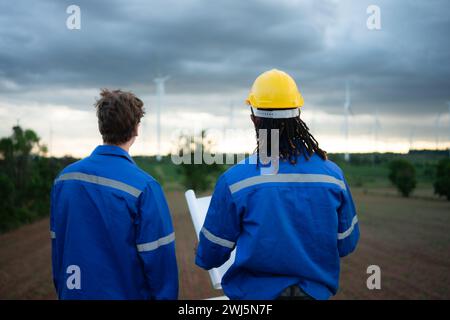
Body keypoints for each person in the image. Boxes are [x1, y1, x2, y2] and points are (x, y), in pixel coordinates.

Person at [195, 69, 359, 300]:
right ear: (298, 113)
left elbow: (209, 255)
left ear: (254, 118)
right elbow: (346, 243)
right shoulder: (333, 176)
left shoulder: (236, 180)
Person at [50, 89, 178, 299]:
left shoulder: (64, 179)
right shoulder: (144, 186)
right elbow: (159, 260)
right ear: (136, 129)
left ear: (101, 126)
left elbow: (59, 248)